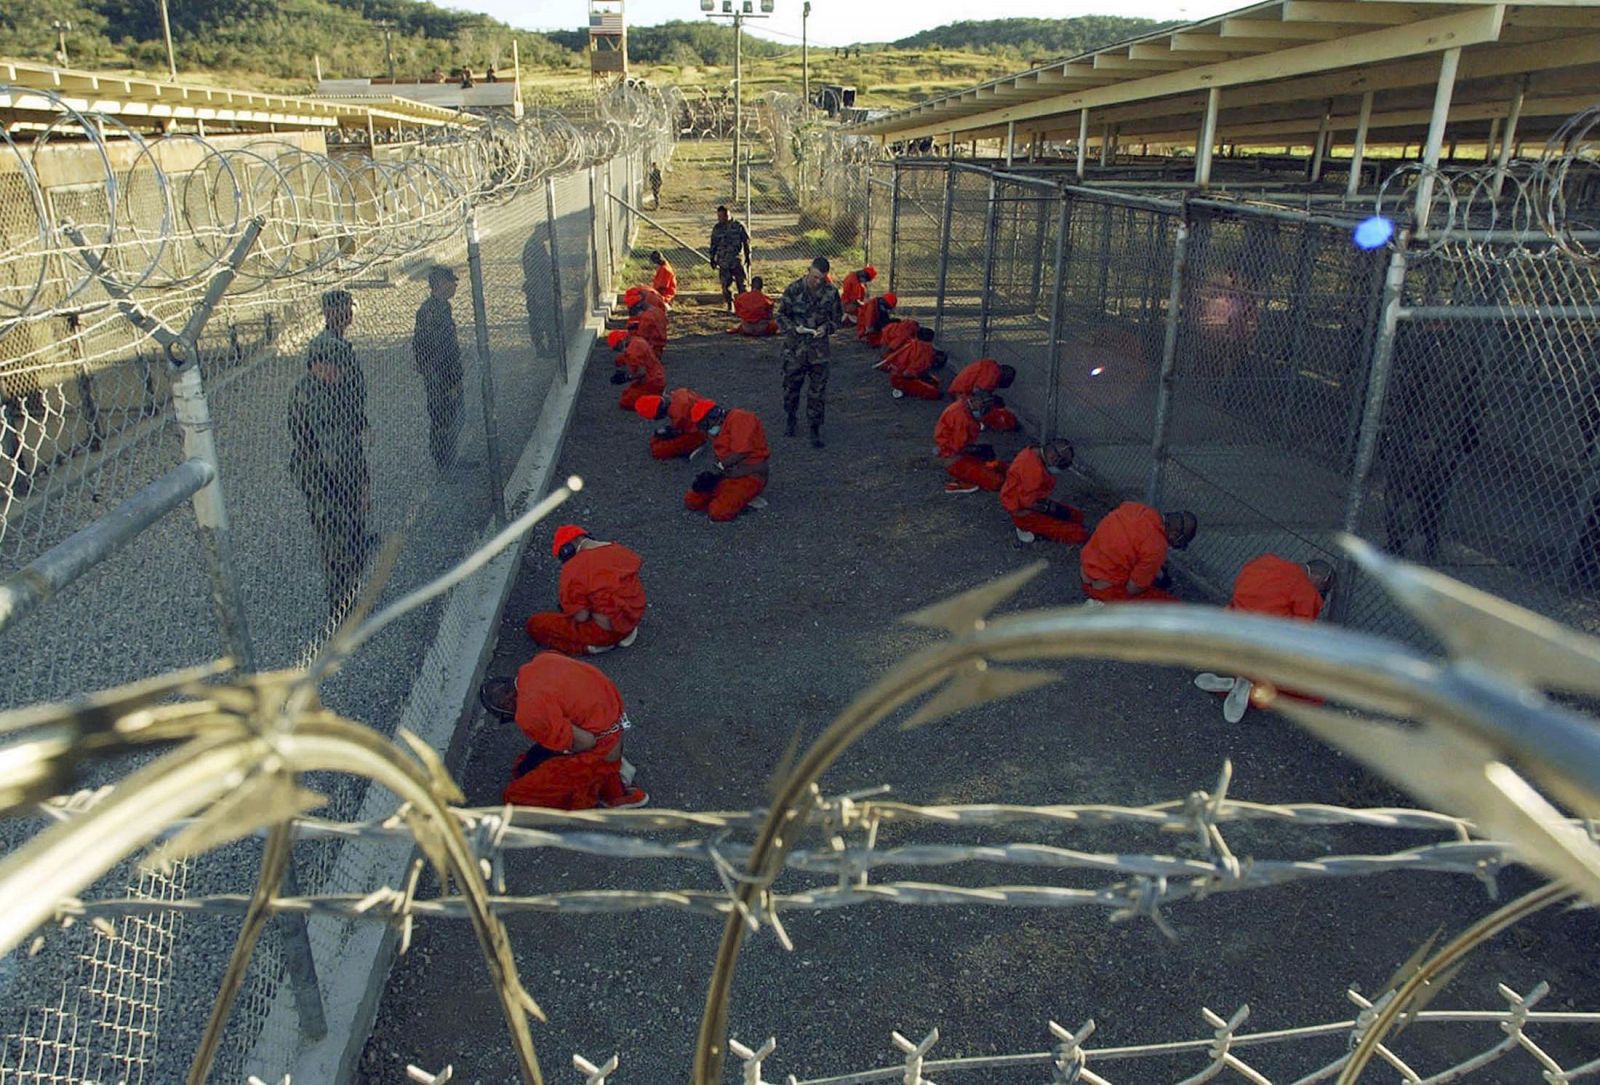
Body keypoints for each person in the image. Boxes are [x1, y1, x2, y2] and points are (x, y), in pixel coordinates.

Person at [289, 290, 375, 620]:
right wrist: (357, 489)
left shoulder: (329, 384)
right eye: (333, 368)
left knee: (348, 537)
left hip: (340, 468)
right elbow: (333, 451)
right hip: (326, 477)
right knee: (336, 543)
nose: (340, 374)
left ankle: (350, 596)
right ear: (318, 365)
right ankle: (342, 608)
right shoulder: (315, 397)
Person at [479, 652, 649, 809]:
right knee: (530, 763)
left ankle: (609, 785)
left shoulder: (528, 712)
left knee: (515, 795)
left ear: (507, 705)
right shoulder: (541, 662)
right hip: (612, 722)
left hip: (600, 744)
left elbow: (586, 742)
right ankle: (611, 773)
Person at [1196, 556, 1334, 722]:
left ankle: (1238, 679)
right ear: (1319, 578)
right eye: (1323, 588)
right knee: (1310, 691)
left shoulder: (1265, 561)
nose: (1321, 592)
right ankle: (1248, 686)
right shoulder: (1307, 592)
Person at [524, 525, 646, 656]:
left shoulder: (574, 568)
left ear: (566, 550)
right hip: (632, 619)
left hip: (606, 632)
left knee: (536, 624)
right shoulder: (619, 550)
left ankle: (592, 646)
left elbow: (581, 617)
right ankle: (624, 633)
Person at [777, 257, 844, 448]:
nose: (817, 281)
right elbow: (781, 316)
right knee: (791, 389)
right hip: (794, 350)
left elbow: (837, 318)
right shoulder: (794, 289)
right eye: (814, 277)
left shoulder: (830, 293)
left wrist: (827, 328)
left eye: (821, 278)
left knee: (817, 393)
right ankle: (791, 417)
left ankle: (815, 428)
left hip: (818, 352)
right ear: (808, 271)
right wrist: (793, 328)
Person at [1079, 502, 1197, 604]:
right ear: (1175, 535)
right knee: (1172, 605)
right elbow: (1133, 589)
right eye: (1179, 542)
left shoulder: (1134, 507)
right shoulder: (1157, 545)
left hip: (1086, 571)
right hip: (1104, 591)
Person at [412, 265, 464, 469]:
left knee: (453, 417)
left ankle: (451, 457)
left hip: (444, 374)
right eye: (452, 283)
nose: (454, 287)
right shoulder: (430, 311)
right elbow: (435, 349)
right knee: (442, 418)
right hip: (439, 376)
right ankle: (444, 462)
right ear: (441, 284)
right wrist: (450, 379)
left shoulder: (441, 307)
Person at [684, 399, 769, 521]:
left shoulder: (741, 419)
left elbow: (741, 452)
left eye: (704, 425)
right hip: (728, 473)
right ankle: (733, 497)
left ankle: (741, 500)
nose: (704, 430)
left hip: (750, 473)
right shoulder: (718, 425)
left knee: (718, 512)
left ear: (712, 417)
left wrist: (720, 467)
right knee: (691, 500)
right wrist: (713, 476)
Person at [1001, 440, 1087, 545]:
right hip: (1024, 512)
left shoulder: (1031, 452)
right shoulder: (1035, 475)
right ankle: (1027, 528)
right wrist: (1050, 510)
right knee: (1079, 534)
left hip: (1028, 501)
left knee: (1075, 515)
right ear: (1053, 458)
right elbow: (1027, 503)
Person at [935, 390, 1009, 495]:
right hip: (954, 457)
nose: (984, 409)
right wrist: (976, 450)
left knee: (1000, 466)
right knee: (997, 482)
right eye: (982, 404)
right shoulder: (961, 418)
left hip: (958, 451)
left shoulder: (965, 408)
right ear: (974, 400)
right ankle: (962, 482)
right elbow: (957, 447)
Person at [947, 358, 1021, 431]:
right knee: (983, 413)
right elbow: (978, 399)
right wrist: (992, 401)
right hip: (961, 395)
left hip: (959, 388)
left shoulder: (991, 367)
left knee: (989, 406)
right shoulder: (992, 377)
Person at [635, 389, 707, 460]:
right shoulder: (679, 393)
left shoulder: (678, 415)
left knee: (657, 450)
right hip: (705, 418)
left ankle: (696, 446)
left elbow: (688, 430)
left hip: (700, 432)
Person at [881, 327, 946, 400]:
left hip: (896, 374)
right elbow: (909, 373)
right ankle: (904, 388)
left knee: (933, 382)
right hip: (903, 377)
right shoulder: (925, 350)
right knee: (934, 393)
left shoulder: (911, 342)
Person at [608, 330, 665, 411]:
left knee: (625, 401)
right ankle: (655, 396)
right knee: (626, 394)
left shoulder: (632, 351)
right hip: (656, 377)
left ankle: (656, 399)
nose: (618, 350)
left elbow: (642, 372)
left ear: (621, 341)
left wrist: (626, 377)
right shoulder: (636, 340)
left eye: (617, 347)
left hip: (652, 381)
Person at [709, 205, 751, 310]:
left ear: (728, 214)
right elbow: (713, 244)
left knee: (742, 285)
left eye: (722, 216)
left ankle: (744, 306)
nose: (720, 218)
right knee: (725, 286)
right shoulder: (717, 228)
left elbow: (746, 242)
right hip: (723, 261)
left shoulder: (739, 226)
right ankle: (730, 305)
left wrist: (748, 256)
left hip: (737, 260)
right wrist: (712, 258)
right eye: (719, 216)